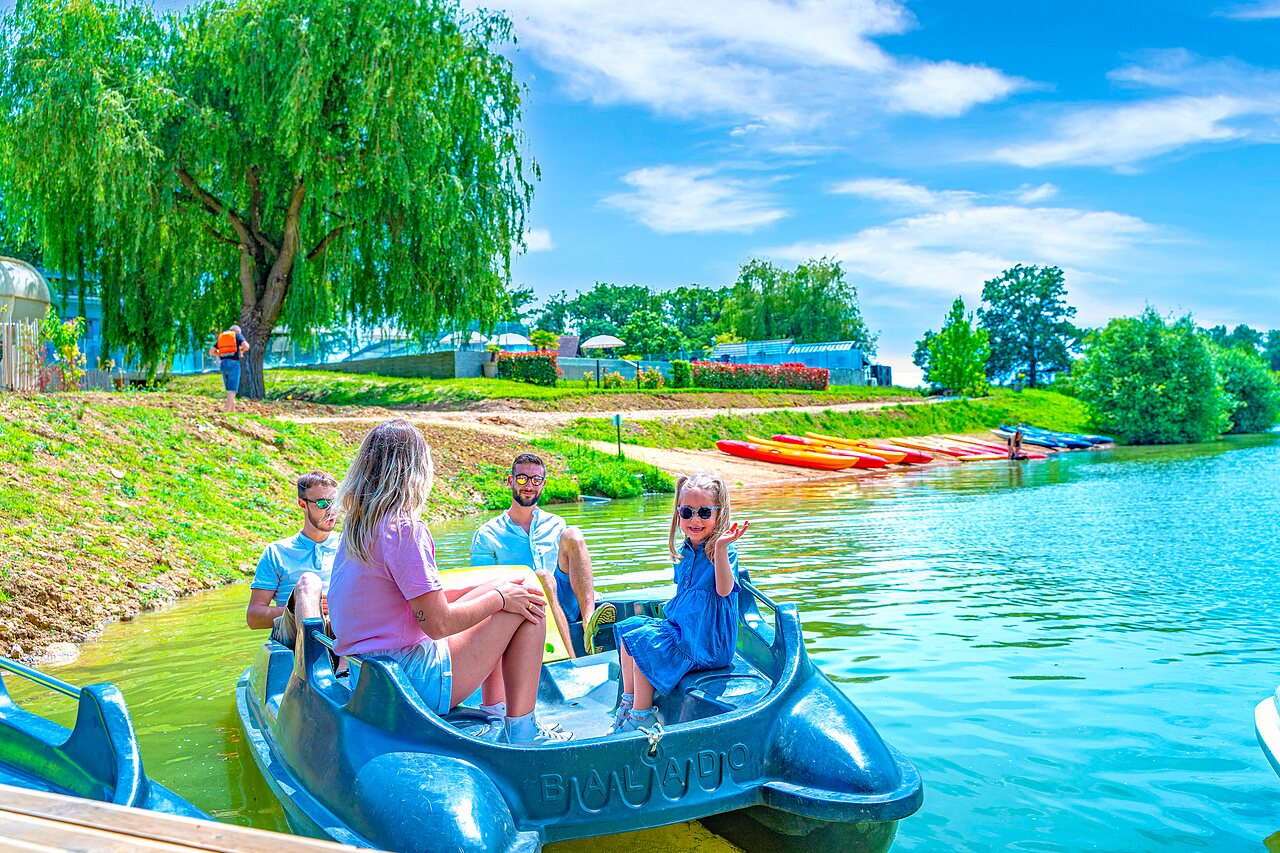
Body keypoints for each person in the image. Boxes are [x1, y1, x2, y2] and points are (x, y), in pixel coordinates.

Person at [329, 420, 571, 744]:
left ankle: (496, 713)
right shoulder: (404, 530)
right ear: (415, 469)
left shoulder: (357, 528)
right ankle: (524, 731)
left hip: (372, 676)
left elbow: (419, 598)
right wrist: (499, 599)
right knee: (528, 597)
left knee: (510, 585)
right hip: (411, 682)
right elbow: (438, 624)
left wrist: (494, 590)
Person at [608, 472, 750, 735]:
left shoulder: (723, 550)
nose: (695, 520)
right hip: (684, 631)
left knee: (644, 645)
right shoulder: (685, 550)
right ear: (679, 513)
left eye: (704, 512)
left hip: (707, 644)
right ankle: (628, 703)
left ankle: (642, 716)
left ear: (719, 513)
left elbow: (724, 589)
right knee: (630, 631)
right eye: (687, 512)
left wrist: (720, 549)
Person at [470, 454, 613, 655]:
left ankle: (589, 623)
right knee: (542, 577)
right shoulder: (487, 534)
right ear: (511, 481)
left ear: (543, 484)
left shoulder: (556, 523)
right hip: (526, 611)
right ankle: (571, 660)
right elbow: (483, 588)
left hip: (566, 605)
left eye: (536, 480)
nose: (529, 485)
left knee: (574, 534)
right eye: (522, 478)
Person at [246, 471, 340, 649]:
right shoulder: (277, 552)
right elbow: (254, 617)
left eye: (335, 503)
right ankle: (313, 662)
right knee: (309, 582)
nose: (331, 510)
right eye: (322, 503)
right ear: (302, 504)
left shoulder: (348, 546)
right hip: (292, 634)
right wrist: (308, 607)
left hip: (340, 625)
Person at [209, 324, 250, 413]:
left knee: (229, 391)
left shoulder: (222, 337)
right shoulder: (237, 335)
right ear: (237, 331)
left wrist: (220, 354)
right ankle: (226, 413)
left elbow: (211, 352)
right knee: (232, 391)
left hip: (223, 364)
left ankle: (232, 412)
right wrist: (242, 350)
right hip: (234, 364)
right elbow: (246, 346)